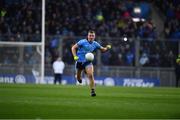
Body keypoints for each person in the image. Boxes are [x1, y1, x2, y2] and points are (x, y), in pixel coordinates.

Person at [71, 30, 111, 97]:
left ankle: (92, 91)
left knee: (90, 75)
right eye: (90, 35)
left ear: (94, 36)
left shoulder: (95, 44)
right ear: (88, 36)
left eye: (92, 36)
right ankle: (78, 77)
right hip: (79, 61)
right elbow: (73, 48)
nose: (91, 37)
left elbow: (102, 50)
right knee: (79, 78)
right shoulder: (82, 42)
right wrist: (75, 56)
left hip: (88, 62)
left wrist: (107, 48)